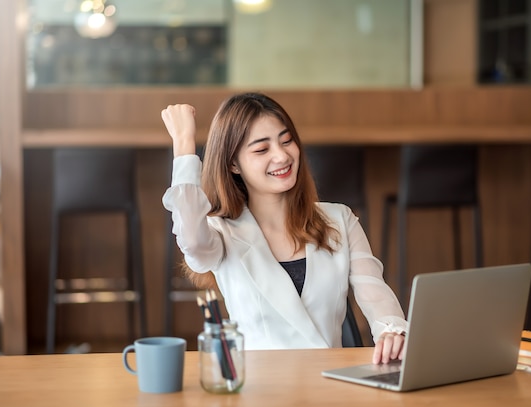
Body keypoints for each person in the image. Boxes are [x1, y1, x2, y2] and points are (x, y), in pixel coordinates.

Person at [161, 92, 407, 364]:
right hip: (261, 393)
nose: (282, 156)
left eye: (287, 141)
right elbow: (192, 241)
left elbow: (377, 297)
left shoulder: (340, 219)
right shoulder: (220, 232)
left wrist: (392, 332)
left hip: (330, 387)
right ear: (233, 164)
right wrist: (184, 146)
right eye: (262, 149)